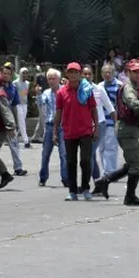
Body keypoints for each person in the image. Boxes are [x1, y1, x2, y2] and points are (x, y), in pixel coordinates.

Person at [92, 59, 139, 205]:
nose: (138, 74)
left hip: (129, 129)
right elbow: (134, 103)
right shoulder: (128, 88)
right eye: (134, 72)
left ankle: (105, 181)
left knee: (131, 163)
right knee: (137, 163)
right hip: (126, 129)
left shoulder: (134, 87)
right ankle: (129, 196)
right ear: (128, 73)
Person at [53, 62, 98, 201]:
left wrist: (96, 127)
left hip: (85, 130)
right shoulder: (61, 92)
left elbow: (93, 109)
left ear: (80, 74)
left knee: (85, 160)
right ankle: (72, 191)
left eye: (76, 72)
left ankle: (85, 188)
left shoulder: (86, 90)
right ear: (67, 74)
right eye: (70, 72)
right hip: (69, 132)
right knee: (71, 161)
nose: (73, 75)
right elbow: (58, 113)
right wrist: (55, 131)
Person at [82, 65, 114, 181]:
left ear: (93, 75)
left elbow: (110, 107)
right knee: (91, 154)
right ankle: (98, 181)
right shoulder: (78, 90)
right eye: (85, 74)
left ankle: (85, 183)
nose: (87, 76)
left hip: (99, 125)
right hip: (84, 126)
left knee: (89, 153)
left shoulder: (99, 89)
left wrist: (117, 124)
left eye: (89, 74)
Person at [37, 68, 68, 188]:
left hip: (63, 126)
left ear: (59, 79)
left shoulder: (65, 90)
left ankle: (65, 178)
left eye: (53, 78)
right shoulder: (46, 92)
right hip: (50, 125)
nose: (51, 81)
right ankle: (43, 177)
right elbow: (41, 104)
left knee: (64, 154)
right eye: (49, 79)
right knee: (45, 153)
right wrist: (38, 94)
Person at [98, 64, 122, 174]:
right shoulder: (99, 86)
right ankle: (106, 170)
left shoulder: (119, 86)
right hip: (101, 121)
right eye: (105, 72)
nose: (107, 75)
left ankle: (110, 171)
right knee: (102, 148)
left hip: (113, 121)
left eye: (109, 72)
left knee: (110, 147)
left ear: (114, 73)